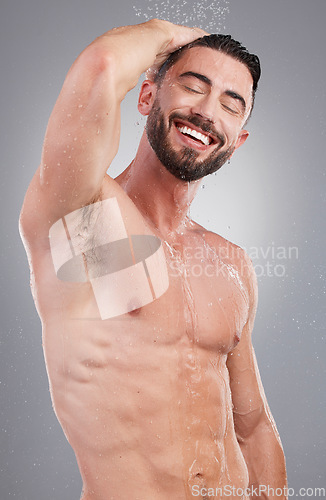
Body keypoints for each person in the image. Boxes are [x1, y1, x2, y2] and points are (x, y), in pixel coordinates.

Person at [19, 19, 287, 500]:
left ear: (238, 140)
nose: (208, 112)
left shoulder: (230, 263)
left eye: (231, 104)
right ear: (145, 98)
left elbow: (254, 429)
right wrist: (168, 33)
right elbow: (101, 68)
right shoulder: (84, 219)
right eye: (193, 86)